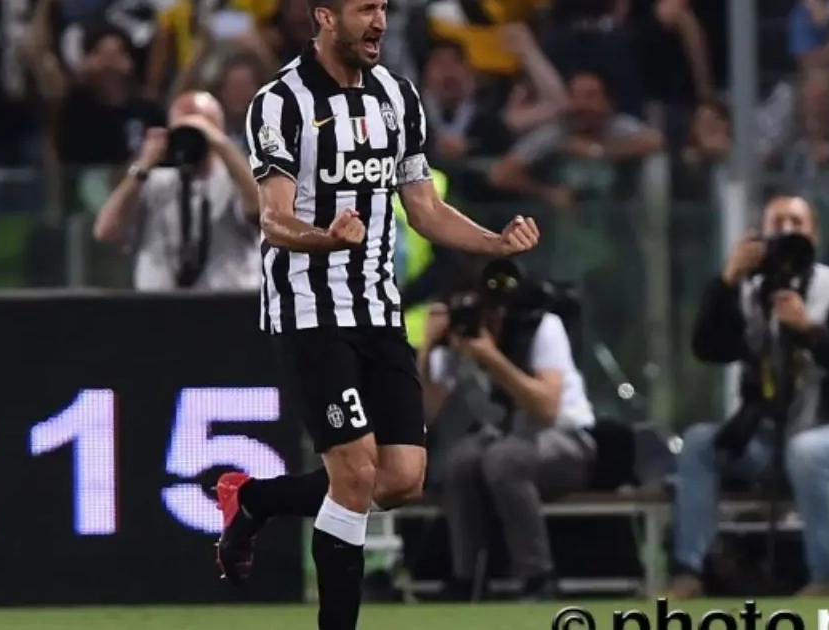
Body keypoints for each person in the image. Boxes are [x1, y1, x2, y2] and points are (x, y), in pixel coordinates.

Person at [213, 1, 540, 628]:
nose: (380, 21)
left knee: (401, 478)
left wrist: (494, 241)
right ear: (325, 16)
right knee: (356, 472)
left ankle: (253, 499)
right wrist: (326, 238)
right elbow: (274, 219)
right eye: (365, 8)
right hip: (310, 309)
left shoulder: (397, 96)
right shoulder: (280, 102)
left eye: (384, 7)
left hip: (379, 309)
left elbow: (425, 209)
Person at [668, 196, 829, 598]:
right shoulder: (749, 291)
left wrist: (810, 330)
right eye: (777, 223)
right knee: (699, 443)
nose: (786, 231)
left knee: (807, 452)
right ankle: (689, 571)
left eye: (796, 222)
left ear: (814, 234)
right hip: (765, 437)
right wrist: (727, 281)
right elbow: (708, 348)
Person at [423, 265, 596, 600]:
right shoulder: (460, 336)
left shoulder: (540, 327)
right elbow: (425, 416)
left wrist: (493, 359)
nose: (488, 319)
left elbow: (547, 408)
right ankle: (466, 579)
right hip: (502, 439)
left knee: (503, 459)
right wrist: (428, 348)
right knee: (460, 460)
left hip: (566, 439)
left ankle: (538, 577)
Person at [92, 90, 262, 291]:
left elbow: (261, 213)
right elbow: (105, 231)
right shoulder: (153, 183)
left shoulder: (236, 181)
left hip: (226, 304)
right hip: (161, 305)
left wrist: (222, 145)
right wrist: (144, 164)